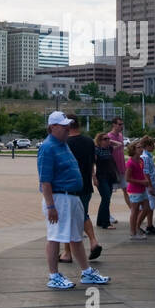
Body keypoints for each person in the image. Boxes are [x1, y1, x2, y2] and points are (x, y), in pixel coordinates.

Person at [37, 112, 108, 289]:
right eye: (63, 126)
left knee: (75, 237)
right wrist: (50, 205)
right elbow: (45, 180)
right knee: (55, 237)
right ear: (52, 127)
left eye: (68, 126)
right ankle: (53, 275)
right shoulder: (48, 147)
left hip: (72, 197)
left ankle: (86, 272)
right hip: (59, 197)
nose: (67, 129)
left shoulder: (62, 144)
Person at [58, 120, 103, 264]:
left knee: (67, 218)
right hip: (86, 185)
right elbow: (92, 161)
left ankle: (67, 253)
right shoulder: (89, 141)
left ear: (68, 127)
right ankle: (93, 241)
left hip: (70, 186)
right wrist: (94, 177)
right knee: (83, 214)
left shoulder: (66, 143)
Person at [124, 138, 151, 241]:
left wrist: (146, 181)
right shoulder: (130, 163)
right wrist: (142, 182)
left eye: (141, 147)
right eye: (139, 147)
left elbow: (142, 172)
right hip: (135, 190)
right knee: (134, 211)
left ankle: (136, 227)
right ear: (133, 149)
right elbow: (127, 178)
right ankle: (133, 233)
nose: (141, 149)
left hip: (142, 188)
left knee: (146, 208)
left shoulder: (141, 160)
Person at [93, 132, 118, 230]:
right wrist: (94, 178)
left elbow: (119, 144)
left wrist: (109, 141)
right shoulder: (96, 150)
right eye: (105, 139)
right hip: (101, 177)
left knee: (105, 199)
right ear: (99, 141)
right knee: (106, 198)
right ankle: (106, 223)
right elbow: (92, 164)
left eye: (108, 139)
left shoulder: (109, 149)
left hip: (110, 177)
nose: (108, 140)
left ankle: (100, 221)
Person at [138, 136, 155, 235]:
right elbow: (146, 173)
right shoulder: (146, 157)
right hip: (149, 186)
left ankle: (149, 225)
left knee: (150, 207)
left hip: (150, 184)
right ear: (147, 146)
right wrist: (150, 186)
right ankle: (137, 226)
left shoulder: (148, 156)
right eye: (152, 144)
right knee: (148, 207)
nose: (154, 146)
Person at [108, 117, 130, 215]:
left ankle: (133, 211)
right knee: (109, 194)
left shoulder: (121, 135)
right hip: (113, 170)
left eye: (122, 124)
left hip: (122, 169)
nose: (121, 126)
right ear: (114, 125)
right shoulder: (108, 136)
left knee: (126, 190)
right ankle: (107, 215)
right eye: (119, 124)